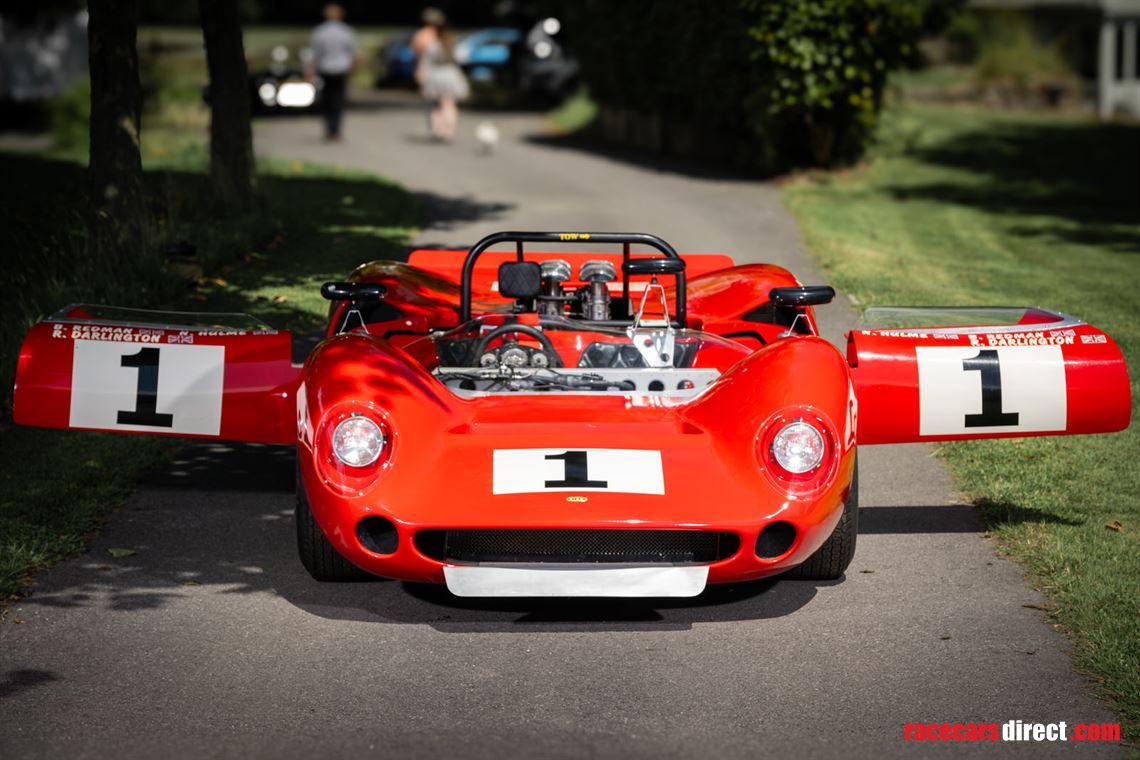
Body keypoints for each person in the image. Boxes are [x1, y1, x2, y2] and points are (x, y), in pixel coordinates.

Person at [411, 8, 469, 142]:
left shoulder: (426, 39)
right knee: (449, 104)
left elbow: (422, 58)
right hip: (451, 73)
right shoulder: (451, 40)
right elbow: (462, 57)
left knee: (435, 104)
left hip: (435, 74)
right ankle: (449, 130)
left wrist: (419, 72)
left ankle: (438, 130)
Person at [309, 4, 357, 142]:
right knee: (338, 99)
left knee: (327, 98)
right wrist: (353, 69)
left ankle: (330, 127)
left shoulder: (320, 31)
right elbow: (353, 53)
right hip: (341, 69)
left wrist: (311, 71)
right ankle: (336, 129)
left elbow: (316, 54)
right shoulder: (346, 31)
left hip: (326, 69)